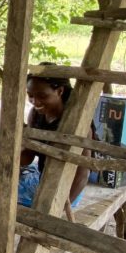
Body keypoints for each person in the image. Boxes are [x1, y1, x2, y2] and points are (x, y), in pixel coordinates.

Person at [26, 74, 90, 205]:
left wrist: (60, 206)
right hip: (43, 178)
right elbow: (28, 157)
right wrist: (20, 142)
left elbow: (82, 173)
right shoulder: (35, 115)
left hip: (68, 189)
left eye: (42, 96)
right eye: (30, 96)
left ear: (60, 91)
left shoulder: (78, 124)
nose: (35, 102)